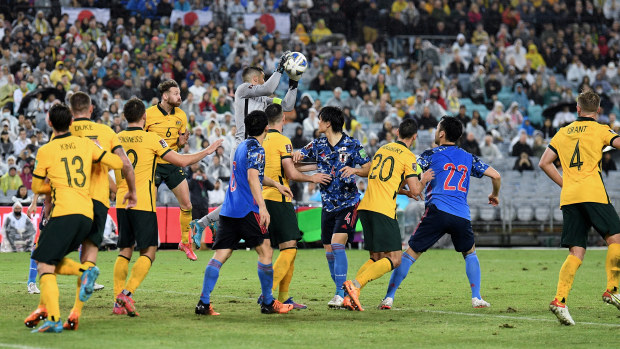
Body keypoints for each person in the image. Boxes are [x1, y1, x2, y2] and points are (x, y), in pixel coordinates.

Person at [112, 98, 222, 317]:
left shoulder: (115, 139)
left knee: (125, 250)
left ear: (125, 117)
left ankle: (117, 302)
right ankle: (127, 293)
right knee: (149, 251)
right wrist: (207, 150)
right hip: (143, 202)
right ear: (144, 117)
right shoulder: (152, 138)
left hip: (122, 200)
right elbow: (180, 161)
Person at [379, 116, 501, 310]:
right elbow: (496, 175)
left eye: (437, 129)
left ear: (442, 134)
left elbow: (408, 173)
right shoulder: (468, 157)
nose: (435, 132)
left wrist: (404, 188)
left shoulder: (430, 155)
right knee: (470, 253)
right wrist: (494, 194)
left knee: (410, 254)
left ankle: (388, 298)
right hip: (461, 215)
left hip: (437, 211)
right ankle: (476, 297)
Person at [25, 104, 125, 333]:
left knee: (42, 262)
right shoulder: (86, 144)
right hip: (88, 213)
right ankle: (55, 307)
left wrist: (53, 182)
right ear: (71, 123)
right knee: (52, 259)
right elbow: (118, 163)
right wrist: (101, 149)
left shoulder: (46, 150)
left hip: (65, 211)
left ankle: (54, 316)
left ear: (49, 123)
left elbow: (38, 186)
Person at [192, 54, 299, 248]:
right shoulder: (242, 90)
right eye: (263, 78)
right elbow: (269, 87)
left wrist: (294, 83)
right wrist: (280, 69)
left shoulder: (264, 100)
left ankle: (207, 223)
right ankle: (205, 223)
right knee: (244, 194)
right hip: (242, 147)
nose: (266, 82)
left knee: (241, 197)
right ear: (255, 80)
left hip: (255, 147)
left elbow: (287, 106)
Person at [195, 110, 295, 316]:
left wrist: (275, 183)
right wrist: (263, 206)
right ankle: (268, 302)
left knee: (221, 254)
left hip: (229, 209)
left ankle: (203, 303)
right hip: (247, 210)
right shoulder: (258, 149)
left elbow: (253, 175)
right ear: (266, 127)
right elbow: (252, 178)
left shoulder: (241, 146)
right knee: (266, 251)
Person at [538, 91, 620, 326]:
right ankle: (613, 289)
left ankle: (560, 301)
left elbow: (544, 162)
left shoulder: (562, 132)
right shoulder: (600, 129)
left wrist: (567, 183)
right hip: (593, 192)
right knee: (616, 239)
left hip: (570, 196)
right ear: (599, 110)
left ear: (578, 109)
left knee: (576, 252)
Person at [61, 92, 136, 330]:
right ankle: (75, 313)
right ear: (91, 109)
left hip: (70, 200)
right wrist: (128, 190)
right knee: (90, 251)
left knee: (48, 256)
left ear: (70, 110)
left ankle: (49, 310)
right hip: (98, 200)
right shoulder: (107, 133)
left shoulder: (64, 132)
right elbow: (125, 163)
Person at [341, 119, 434, 311]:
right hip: (383, 209)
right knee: (395, 258)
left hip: (366, 206)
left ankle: (346, 297)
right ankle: (355, 285)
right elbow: (417, 190)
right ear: (415, 137)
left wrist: (404, 191)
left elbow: (381, 178)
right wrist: (423, 179)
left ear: (397, 131)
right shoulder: (409, 157)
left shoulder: (383, 149)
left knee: (376, 257)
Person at [292, 106, 371, 308]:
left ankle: (339, 293)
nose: (317, 123)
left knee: (337, 245)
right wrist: (298, 160)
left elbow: (369, 167)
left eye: (319, 120)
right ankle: (341, 291)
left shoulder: (352, 144)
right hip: (327, 206)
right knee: (328, 250)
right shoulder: (317, 144)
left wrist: (354, 169)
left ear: (328, 123)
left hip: (349, 203)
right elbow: (298, 160)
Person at [259, 103, 332, 309]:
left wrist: (309, 163)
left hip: (262, 199)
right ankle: (268, 294)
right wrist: (313, 178)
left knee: (284, 248)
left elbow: (286, 166)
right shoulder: (283, 140)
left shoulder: (259, 140)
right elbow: (290, 174)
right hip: (279, 198)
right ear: (283, 119)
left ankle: (282, 298)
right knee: (290, 248)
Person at [145, 80, 197, 260]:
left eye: (179, 93)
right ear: (165, 96)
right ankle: (148, 241)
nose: (179, 97)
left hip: (173, 163)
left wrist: (182, 144)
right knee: (148, 206)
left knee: (187, 205)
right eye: (175, 93)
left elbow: (180, 143)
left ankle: (185, 242)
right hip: (154, 164)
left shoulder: (181, 115)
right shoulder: (148, 114)